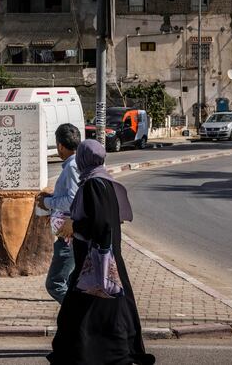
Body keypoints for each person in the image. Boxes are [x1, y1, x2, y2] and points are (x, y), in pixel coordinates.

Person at [48, 139, 155, 365]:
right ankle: (108, 353)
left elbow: (101, 224)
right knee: (112, 309)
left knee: (74, 313)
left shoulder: (93, 184)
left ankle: (92, 355)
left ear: (83, 159)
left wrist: (73, 226)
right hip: (105, 258)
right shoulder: (104, 180)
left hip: (95, 261)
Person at [36, 123, 80, 303]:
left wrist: (47, 202)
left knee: (55, 283)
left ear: (60, 145)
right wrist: (54, 196)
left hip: (69, 238)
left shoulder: (71, 167)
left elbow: (72, 200)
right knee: (69, 283)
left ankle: (80, 317)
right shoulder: (74, 165)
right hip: (68, 236)